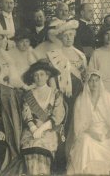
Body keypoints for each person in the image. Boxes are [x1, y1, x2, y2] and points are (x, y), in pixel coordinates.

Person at [43, 19, 87, 173]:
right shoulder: (54, 55)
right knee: (62, 127)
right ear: (60, 38)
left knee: (78, 126)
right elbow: (51, 78)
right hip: (62, 96)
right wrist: (57, 96)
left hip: (79, 95)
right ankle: (61, 163)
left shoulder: (80, 55)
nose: (68, 38)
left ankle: (75, 161)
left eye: (71, 35)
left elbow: (84, 77)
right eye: (66, 35)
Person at [67, 69, 110, 175]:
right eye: (91, 80)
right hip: (88, 131)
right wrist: (91, 132)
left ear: (100, 81)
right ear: (87, 83)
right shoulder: (81, 99)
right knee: (86, 141)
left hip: (105, 132)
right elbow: (78, 125)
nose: (94, 83)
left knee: (103, 141)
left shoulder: (109, 98)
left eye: (96, 80)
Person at [21, 60, 65, 175]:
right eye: (35, 75)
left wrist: (41, 129)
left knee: (41, 148)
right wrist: (34, 129)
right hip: (31, 131)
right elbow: (26, 115)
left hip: (49, 130)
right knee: (32, 146)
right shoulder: (28, 95)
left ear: (47, 76)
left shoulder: (56, 93)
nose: (38, 77)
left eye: (41, 74)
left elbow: (58, 116)